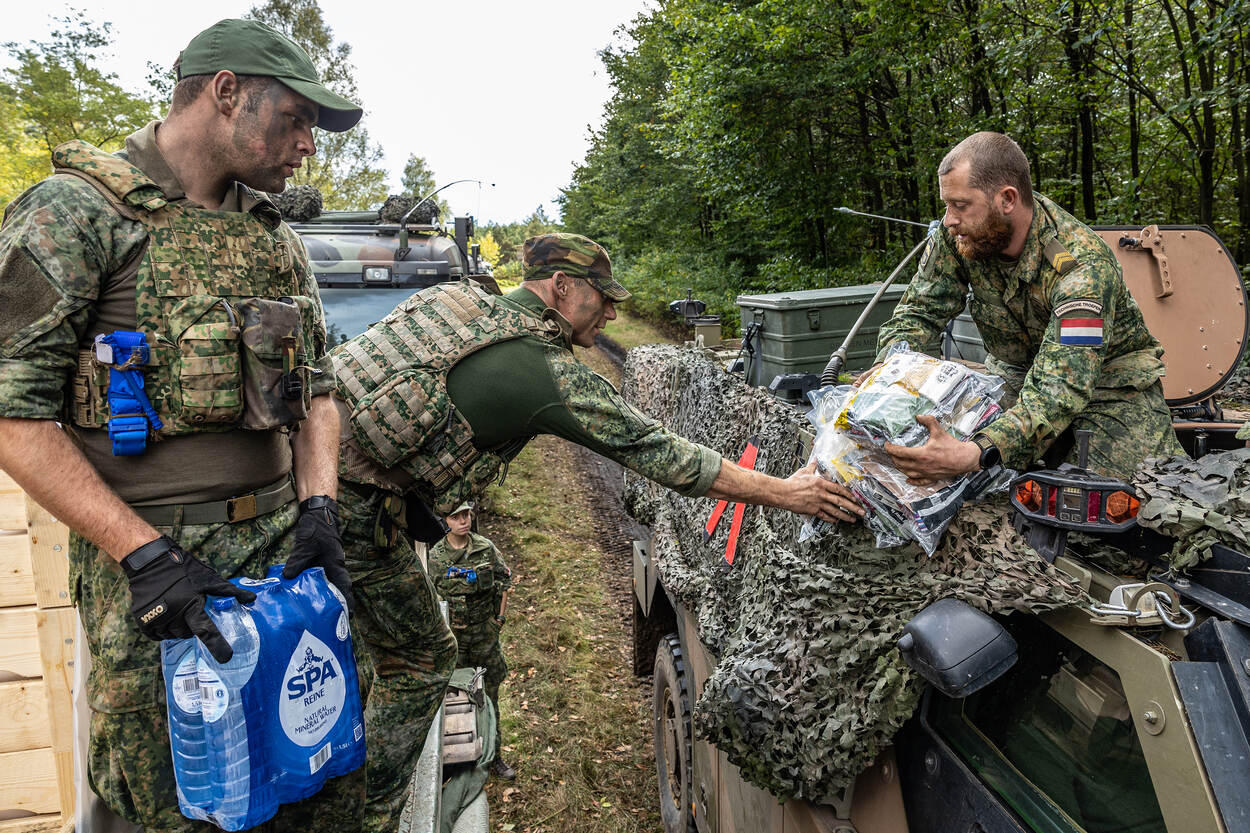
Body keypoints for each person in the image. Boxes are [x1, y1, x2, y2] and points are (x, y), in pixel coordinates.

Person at [330, 232, 864, 831]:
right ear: (561, 288)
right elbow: (662, 454)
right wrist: (790, 493)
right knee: (424, 659)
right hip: (357, 516)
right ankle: (367, 815)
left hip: (316, 492)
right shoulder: (541, 370)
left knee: (361, 657)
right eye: (602, 297)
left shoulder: (460, 302)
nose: (611, 312)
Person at [0, 19, 363, 832]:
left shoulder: (274, 239)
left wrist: (320, 508)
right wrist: (144, 555)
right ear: (225, 91)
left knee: (295, 785)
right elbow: (11, 413)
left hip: (274, 572)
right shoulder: (77, 213)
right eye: (297, 118)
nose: (308, 145)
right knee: (167, 802)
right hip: (157, 584)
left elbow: (321, 393)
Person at [874, 131, 1185, 484]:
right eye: (947, 205)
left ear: (1007, 199)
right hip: (1013, 376)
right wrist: (892, 375)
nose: (948, 219)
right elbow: (918, 313)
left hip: (1110, 386)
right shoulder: (958, 235)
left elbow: (1059, 387)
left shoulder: (1081, 267)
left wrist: (978, 451)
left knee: (1115, 503)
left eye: (960, 205)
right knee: (933, 467)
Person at [427, 501, 515, 779]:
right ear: (446, 520)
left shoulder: (485, 548)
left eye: (466, 515)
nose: (464, 520)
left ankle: (494, 755)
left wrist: (498, 621)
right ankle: (459, 761)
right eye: (456, 516)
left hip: (483, 635)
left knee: (489, 697)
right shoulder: (436, 557)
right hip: (454, 639)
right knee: (455, 697)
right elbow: (431, 598)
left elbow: (504, 582)